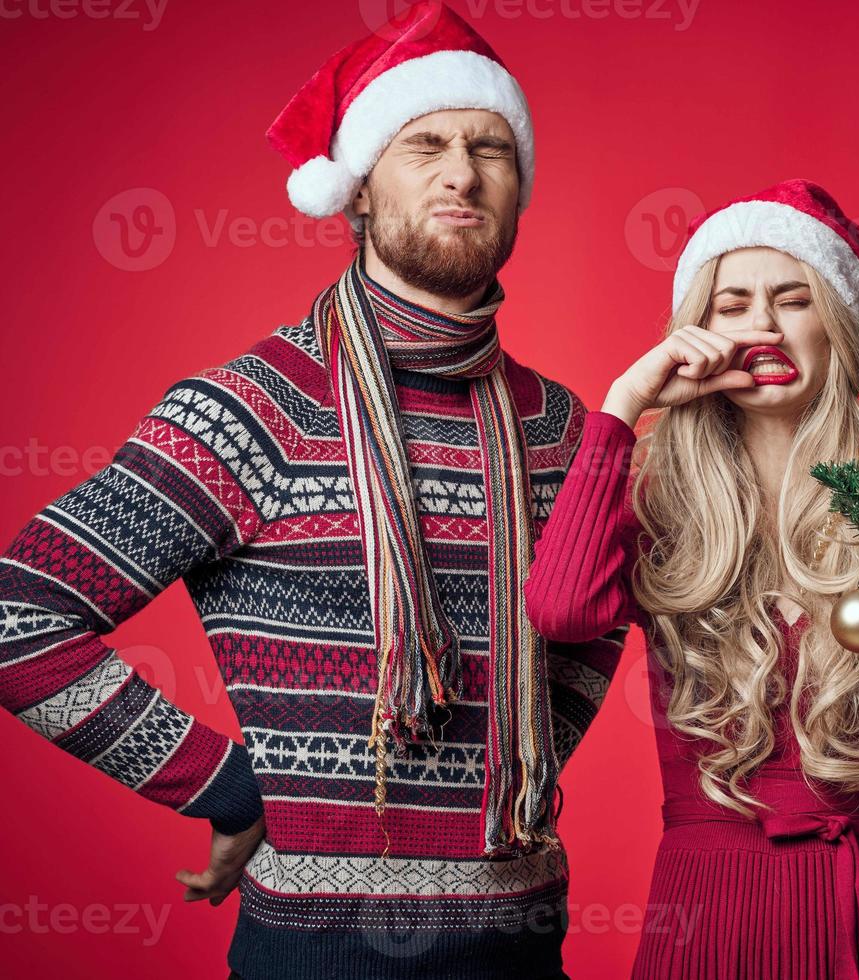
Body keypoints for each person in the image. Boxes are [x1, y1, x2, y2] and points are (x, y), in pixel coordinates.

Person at [0, 4, 625, 977]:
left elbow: (598, 622)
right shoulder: (253, 409)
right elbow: (18, 615)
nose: (463, 171)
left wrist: (518, 760)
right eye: (426, 144)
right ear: (360, 190)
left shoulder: (565, 427)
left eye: (491, 148)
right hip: (316, 952)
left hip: (524, 941)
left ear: (521, 188)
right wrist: (233, 786)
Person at [524, 178, 859, 978]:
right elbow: (561, 610)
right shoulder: (657, 496)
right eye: (731, 304)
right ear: (696, 331)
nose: (761, 325)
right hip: (704, 918)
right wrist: (625, 404)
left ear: (838, 325)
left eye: (792, 298)